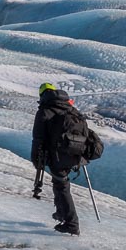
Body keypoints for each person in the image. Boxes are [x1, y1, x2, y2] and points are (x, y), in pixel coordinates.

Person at [31, 83, 83, 235]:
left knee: (62, 186)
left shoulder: (44, 111)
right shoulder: (70, 108)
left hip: (57, 154)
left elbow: (38, 138)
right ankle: (61, 213)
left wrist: (36, 160)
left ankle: (71, 224)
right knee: (60, 182)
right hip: (74, 152)